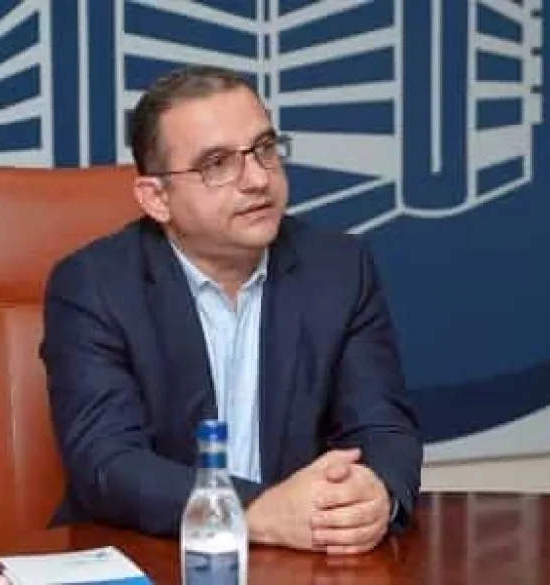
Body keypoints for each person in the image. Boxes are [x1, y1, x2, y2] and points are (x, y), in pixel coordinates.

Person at [41, 65, 422, 556]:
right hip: (144, 553)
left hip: (296, 557)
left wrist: (375, 494)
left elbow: (383, 427)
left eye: (265, 148)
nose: (258, 179)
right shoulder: (93, 286)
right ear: (157, 198)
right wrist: (255, 512)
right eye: (217, 163)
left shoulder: (341, 269)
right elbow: (107, 464)